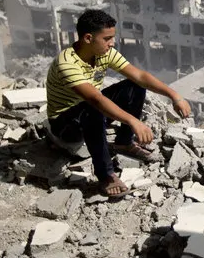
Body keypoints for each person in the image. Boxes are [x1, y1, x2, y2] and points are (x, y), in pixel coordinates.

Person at [46, 10, 191, 197]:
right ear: (88, 38)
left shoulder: (104, 54)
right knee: (93, 108)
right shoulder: (67, 63)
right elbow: (95, 99)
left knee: (135, 86)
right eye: (107, 38)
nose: (112, 43)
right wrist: (133, 121)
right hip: (65, 125)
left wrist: (174, 96)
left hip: (89, 111)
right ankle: (106, 176)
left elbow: (139, 76)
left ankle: (124, 142)